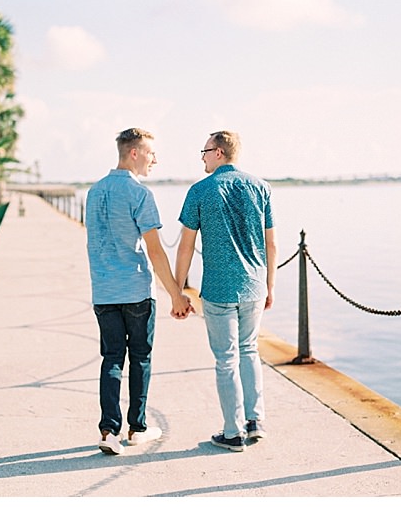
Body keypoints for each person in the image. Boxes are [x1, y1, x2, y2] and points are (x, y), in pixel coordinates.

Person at [85, 127, 193, 455]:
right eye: (150, 153)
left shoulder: (93, 192)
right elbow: (156, 252)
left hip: (103, 291)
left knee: (112, 358)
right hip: (135, 290)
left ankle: (108, 430)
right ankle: (137, 428)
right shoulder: (139, 193)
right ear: (134, 153)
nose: (155, 159)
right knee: (141, 359)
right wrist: (176, 293)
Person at [175, 130, 277, 452]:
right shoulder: (261, 187)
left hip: (219, 288)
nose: (202, 157)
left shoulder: (200, 191)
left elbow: (186, 246)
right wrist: (270, 285)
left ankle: (233, 432)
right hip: (254, 286)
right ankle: (255, 421)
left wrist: (178, 290)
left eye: (204, 151)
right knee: (249, 351)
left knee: (226, 359)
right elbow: (271, 243)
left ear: (218, 152)